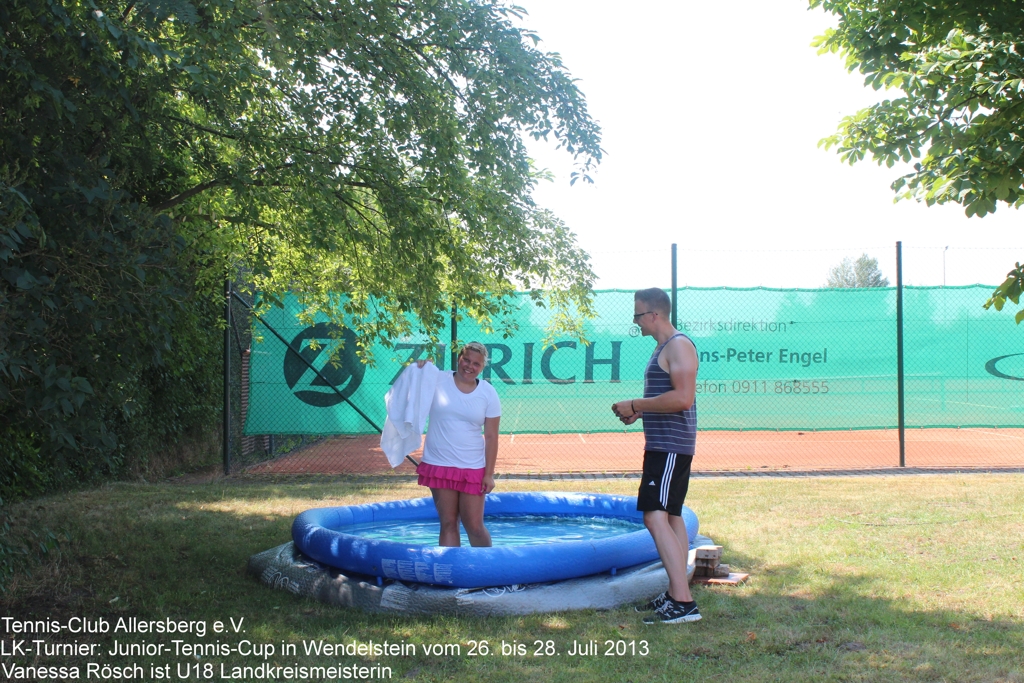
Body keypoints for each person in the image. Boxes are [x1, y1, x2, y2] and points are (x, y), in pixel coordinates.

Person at [612, 287, 702, 624]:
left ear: (654, 315)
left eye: (637, 315)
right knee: (672, 517)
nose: (635, 322)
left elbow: (682, 398)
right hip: (666, 445)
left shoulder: (678, 345)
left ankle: (682, 600)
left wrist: (637, 404)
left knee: (654, 516)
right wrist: (641, 413)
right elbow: (668, 398)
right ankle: (679, 593)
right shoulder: (664, 348)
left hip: (670, 448)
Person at [415, 342, 501, 547]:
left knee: (474, 526)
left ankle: (488, 573)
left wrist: (489, 474)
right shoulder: (437, 379)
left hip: (472, 467)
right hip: (439, 464)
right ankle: (450, 575)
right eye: (466, 360)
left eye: (476, 364)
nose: (469, 366)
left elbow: (491, 437)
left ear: (482, 367)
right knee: (448, 523)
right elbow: (409, 387)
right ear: (458, 359)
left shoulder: (488, 393)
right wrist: (419, 368)